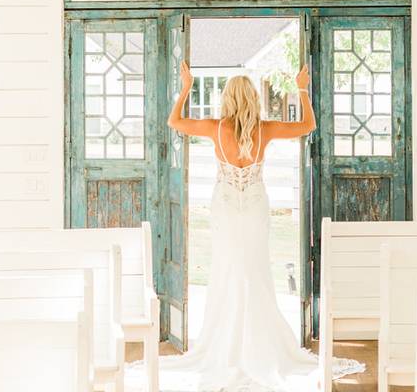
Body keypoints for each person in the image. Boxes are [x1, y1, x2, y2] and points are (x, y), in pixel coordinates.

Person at [125, 62, 363, 392]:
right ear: (252, 98)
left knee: (226, 270)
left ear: (228, 98)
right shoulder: (265, 130)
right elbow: (308, 124)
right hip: (254, 207)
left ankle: (226, 347)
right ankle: (258, 346)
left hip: (225, 207)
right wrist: (302, 87)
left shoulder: (214, 127)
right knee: (255, 271)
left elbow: (173, 120)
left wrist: (187, 85)